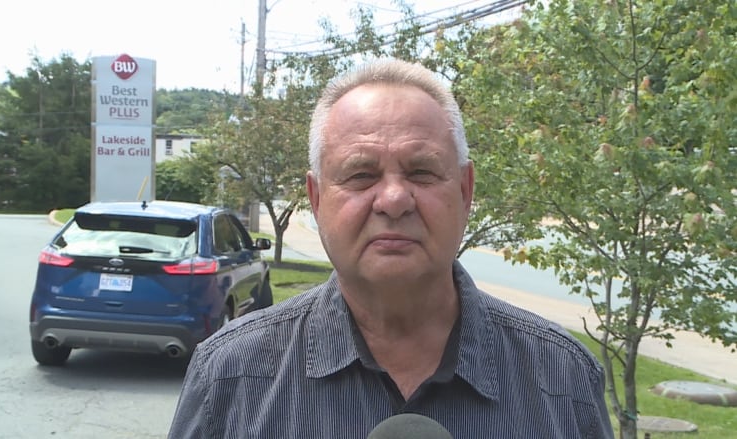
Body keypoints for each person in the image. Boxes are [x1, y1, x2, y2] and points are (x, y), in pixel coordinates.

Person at [168, 58, 614, 438]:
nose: (395, 199)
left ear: (465, 191)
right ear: (317, 198)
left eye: (421, 172)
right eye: (361, 175)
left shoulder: (563, 378)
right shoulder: (229, 375)